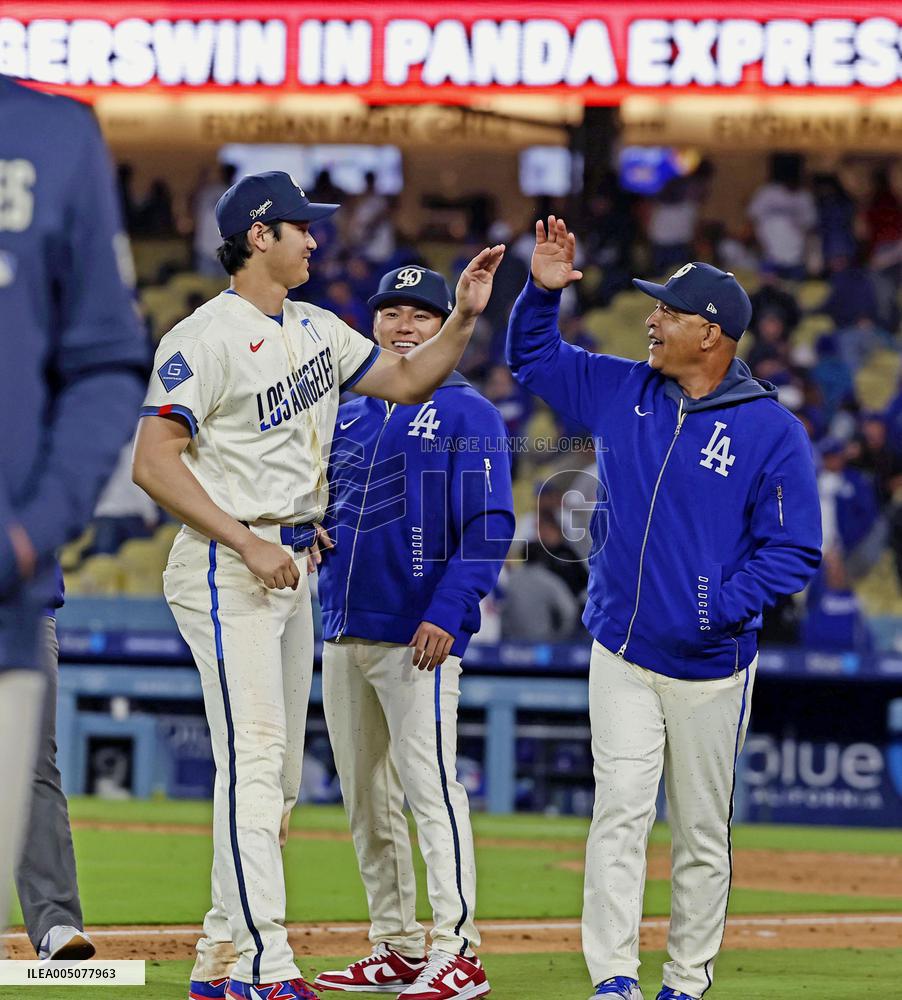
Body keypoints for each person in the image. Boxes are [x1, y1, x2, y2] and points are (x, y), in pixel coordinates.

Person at [131, 172, 504, 1000]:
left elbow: (409, 381)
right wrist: (248, 538)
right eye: (302, 226)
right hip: (230, 566)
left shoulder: (316, 327)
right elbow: (152, 463)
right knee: (257, 765)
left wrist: (469, 317)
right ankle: (267, 967)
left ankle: (221, 960)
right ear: (260, 236)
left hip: (289, 562)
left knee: (281, 781)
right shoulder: (203, 337)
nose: (315, 238)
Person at [506, 219, 822, 1000]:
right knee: (618, 813)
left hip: (714, 668)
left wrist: (720, 606)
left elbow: (795, 550)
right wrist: (542, 292)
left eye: (668, 312)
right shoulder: (624, 390)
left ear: (710, 334)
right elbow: (533, 357)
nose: (650, 319)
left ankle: (685, 981)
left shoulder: (772, 432)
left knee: (701, 838)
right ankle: (614, 977)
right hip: (621, 650)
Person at [313, 265, 515, 1000]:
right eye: (391, 312)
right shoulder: (352, 404)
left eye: (421, 315)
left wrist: (449, 611)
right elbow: (318, 498)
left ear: (445, 326)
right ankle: (397, 944)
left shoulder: (468, 411)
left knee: (430, 791)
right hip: (342, 628)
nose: (403, 325)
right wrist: (310, 532)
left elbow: (492, 525)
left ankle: (458, 950)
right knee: (366, 798)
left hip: (418, 635)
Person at [0, 75, 146, 952]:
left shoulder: (52, 134)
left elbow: (101, 361)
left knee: (34, 770)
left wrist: (30, 530)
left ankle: (56, 932)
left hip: (13, 584)